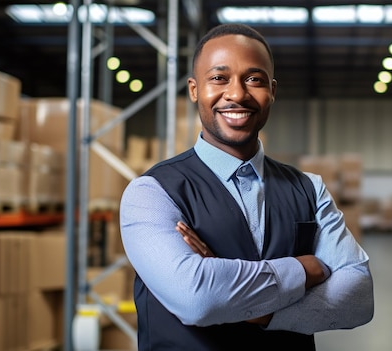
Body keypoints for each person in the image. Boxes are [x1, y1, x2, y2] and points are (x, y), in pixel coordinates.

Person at [119, 23, 374, 351]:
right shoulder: (152, 193)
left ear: (273, 91)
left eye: (254, 79)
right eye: (218, 78)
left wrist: (259, 314)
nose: (237, 94)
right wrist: (302, 269)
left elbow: (359, 298)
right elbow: (198, 298)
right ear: (195, 90)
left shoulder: (309, 189)